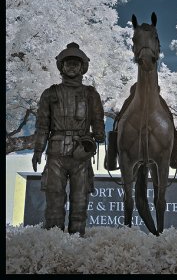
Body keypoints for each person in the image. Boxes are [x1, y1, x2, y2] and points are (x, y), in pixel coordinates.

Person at [32, 42, 105, 236]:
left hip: (81, 154)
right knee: (54, 202)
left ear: (83, 68)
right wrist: (38, 149)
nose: (72, 66)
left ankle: (76, 243)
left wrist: (98, 135)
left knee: (80, 201)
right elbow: (42, 125)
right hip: (56, 153)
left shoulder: (91, 94)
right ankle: (54, 244)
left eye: (76, 63)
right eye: (68, 63)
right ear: (61, 66)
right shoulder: (49, 94)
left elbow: (99, 125)